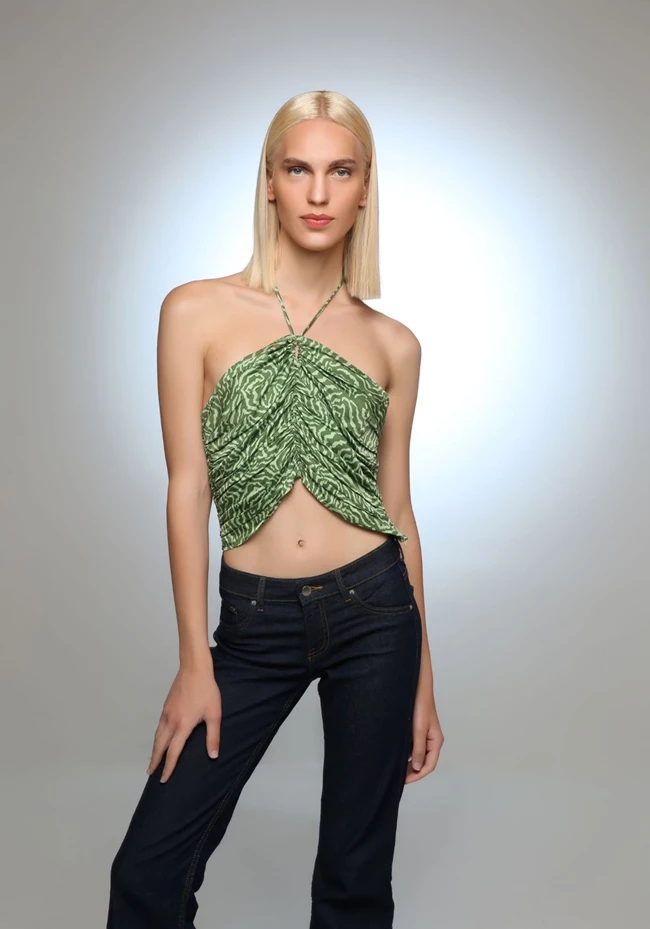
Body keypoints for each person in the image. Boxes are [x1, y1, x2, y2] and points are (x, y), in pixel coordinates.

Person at [106, 89, 444, 929]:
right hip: (253, 622)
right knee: (148, 870)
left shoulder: (394, 343)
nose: (318, 192)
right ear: (269, 182)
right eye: (298, 170)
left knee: (355, 882)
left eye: (341, 171)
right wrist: (194, 661)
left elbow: (398, 510)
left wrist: (424, 683)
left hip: (377, 614)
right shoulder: (194, 310)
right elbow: (188, 487)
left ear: (366, 188)